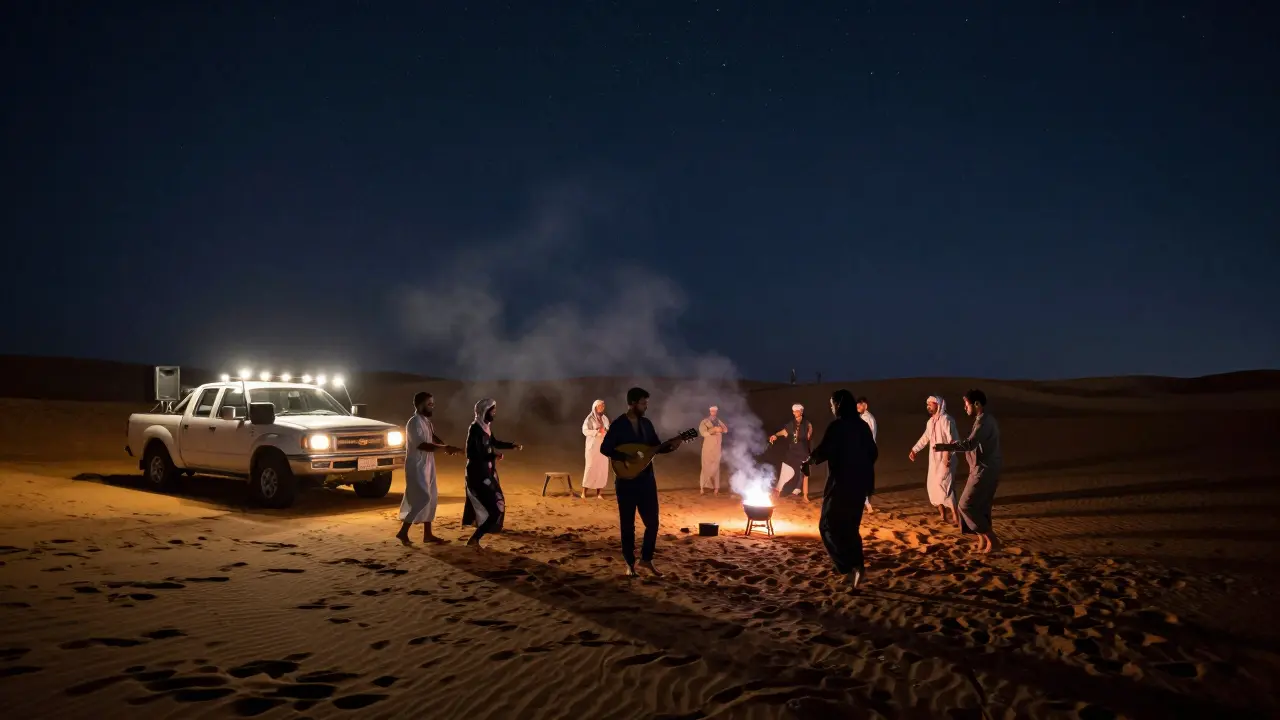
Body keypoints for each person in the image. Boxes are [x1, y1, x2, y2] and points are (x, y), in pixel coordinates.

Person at [599, 386, 684, 577]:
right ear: (632, 403)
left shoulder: (646, 424)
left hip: (646, 479)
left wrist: (673, 445)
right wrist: (626, 457)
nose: (646, 406)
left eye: (646, 403)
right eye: (643, 403)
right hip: (626, 481)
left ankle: (646, 559)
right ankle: (629, 563)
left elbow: (655, 448)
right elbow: (605, 449)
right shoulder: (619, 424)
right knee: (627, 525)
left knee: (652, 523)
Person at [802, 389, 878, 588]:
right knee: (851, 528)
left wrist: (809, 461)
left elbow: (824, 450)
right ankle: (857, 568)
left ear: (839, 404)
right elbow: (873, 453)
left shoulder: (838, 426)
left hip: (841, 484)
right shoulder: (862, 426)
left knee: (827, 525)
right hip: (860, 484)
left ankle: (847, 566)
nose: (831, 408)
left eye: (832, 404)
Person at [933, 389, 1003, 554]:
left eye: (967, 404)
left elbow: (970, 444)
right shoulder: (983, 420)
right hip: (982, 469)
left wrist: (945, 447)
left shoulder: (984, 422)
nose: (965, 408)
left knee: (965, 505)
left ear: (976, 404)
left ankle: (992, 539)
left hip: (984, 470)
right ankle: (983, 540)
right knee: (980, 506)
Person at [397, 391, 461, 545]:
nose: (432, 406)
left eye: (433, 403)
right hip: (416, 465)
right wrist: (445, 448)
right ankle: (403, 532)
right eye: (429, 404)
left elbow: (432, 437)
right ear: (420, 405)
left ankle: (428, 534)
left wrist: (447, 447)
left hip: (428, 463)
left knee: (431, 496)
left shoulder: (425, 421)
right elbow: (422, 445)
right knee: (423, 497)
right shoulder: (414, 422)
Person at [461, 398, 523, 549]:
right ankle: (474, 539)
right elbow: (471, 453)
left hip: (487, 472)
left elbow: (494, 442)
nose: (494, 413)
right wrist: (491, 456)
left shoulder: (485, 427)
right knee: (495, 508)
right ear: (484, 411)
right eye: (492, 410)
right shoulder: (475, 429)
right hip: (478, 474)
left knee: (497, 504)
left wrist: (511, 446)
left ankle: (484, 532)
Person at [909, 395, 960, 524]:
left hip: (946, 458)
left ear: (939, 405)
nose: (928, 406)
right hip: (934, 460)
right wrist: (915, 450)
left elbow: (953, 440)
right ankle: (943, 515)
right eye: (927, 404)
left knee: (944, 486)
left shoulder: (946, 420)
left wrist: (948, 456)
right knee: (932, 486)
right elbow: (925, 437)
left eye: (931, 404)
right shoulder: (930, 422)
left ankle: (956, 515)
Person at [769, 403, 813, 502]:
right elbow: (784, 431)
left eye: (797, 411)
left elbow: (809, 434)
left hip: (803, 451)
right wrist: (776, 435)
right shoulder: (791, 424)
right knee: (786, 467)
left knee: (804, 472)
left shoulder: (807, 423)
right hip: (793, 451)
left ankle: (805, 495)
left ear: (801, 411)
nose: (795, 413)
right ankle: (778, 490)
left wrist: (807, 433)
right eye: (794, 411)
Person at [580, 399, 610, 500]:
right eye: (600, 406)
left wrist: (605, 431)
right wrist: (596, 432)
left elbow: (607, 429)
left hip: (603, 447)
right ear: (595, 407)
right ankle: (584, 492)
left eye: (603, 406)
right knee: (590, 467)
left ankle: (599, 493)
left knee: (602, 469)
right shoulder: (589, 419)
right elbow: (585, 430)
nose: (602, 408)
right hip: (592, 447)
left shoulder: (605, 418)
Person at [697, 405, 728, 495]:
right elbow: (703, 433)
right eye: (712, 411)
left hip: (717, 447)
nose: (713, 412)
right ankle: (702, 487)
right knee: (705, 466)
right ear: (710, 412)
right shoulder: (705, 421)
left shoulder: (718, 421)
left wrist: (720, 429)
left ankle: (716, 488)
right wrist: (713, 430)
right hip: (708, 447)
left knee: (716, 467)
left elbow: (725, 430)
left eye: (715, 411)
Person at [856, 396, 877, 512]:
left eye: (860, 405)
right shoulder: (862, 417)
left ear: (865, 405)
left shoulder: (868, 418)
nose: (858, 407)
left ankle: (867, 503)